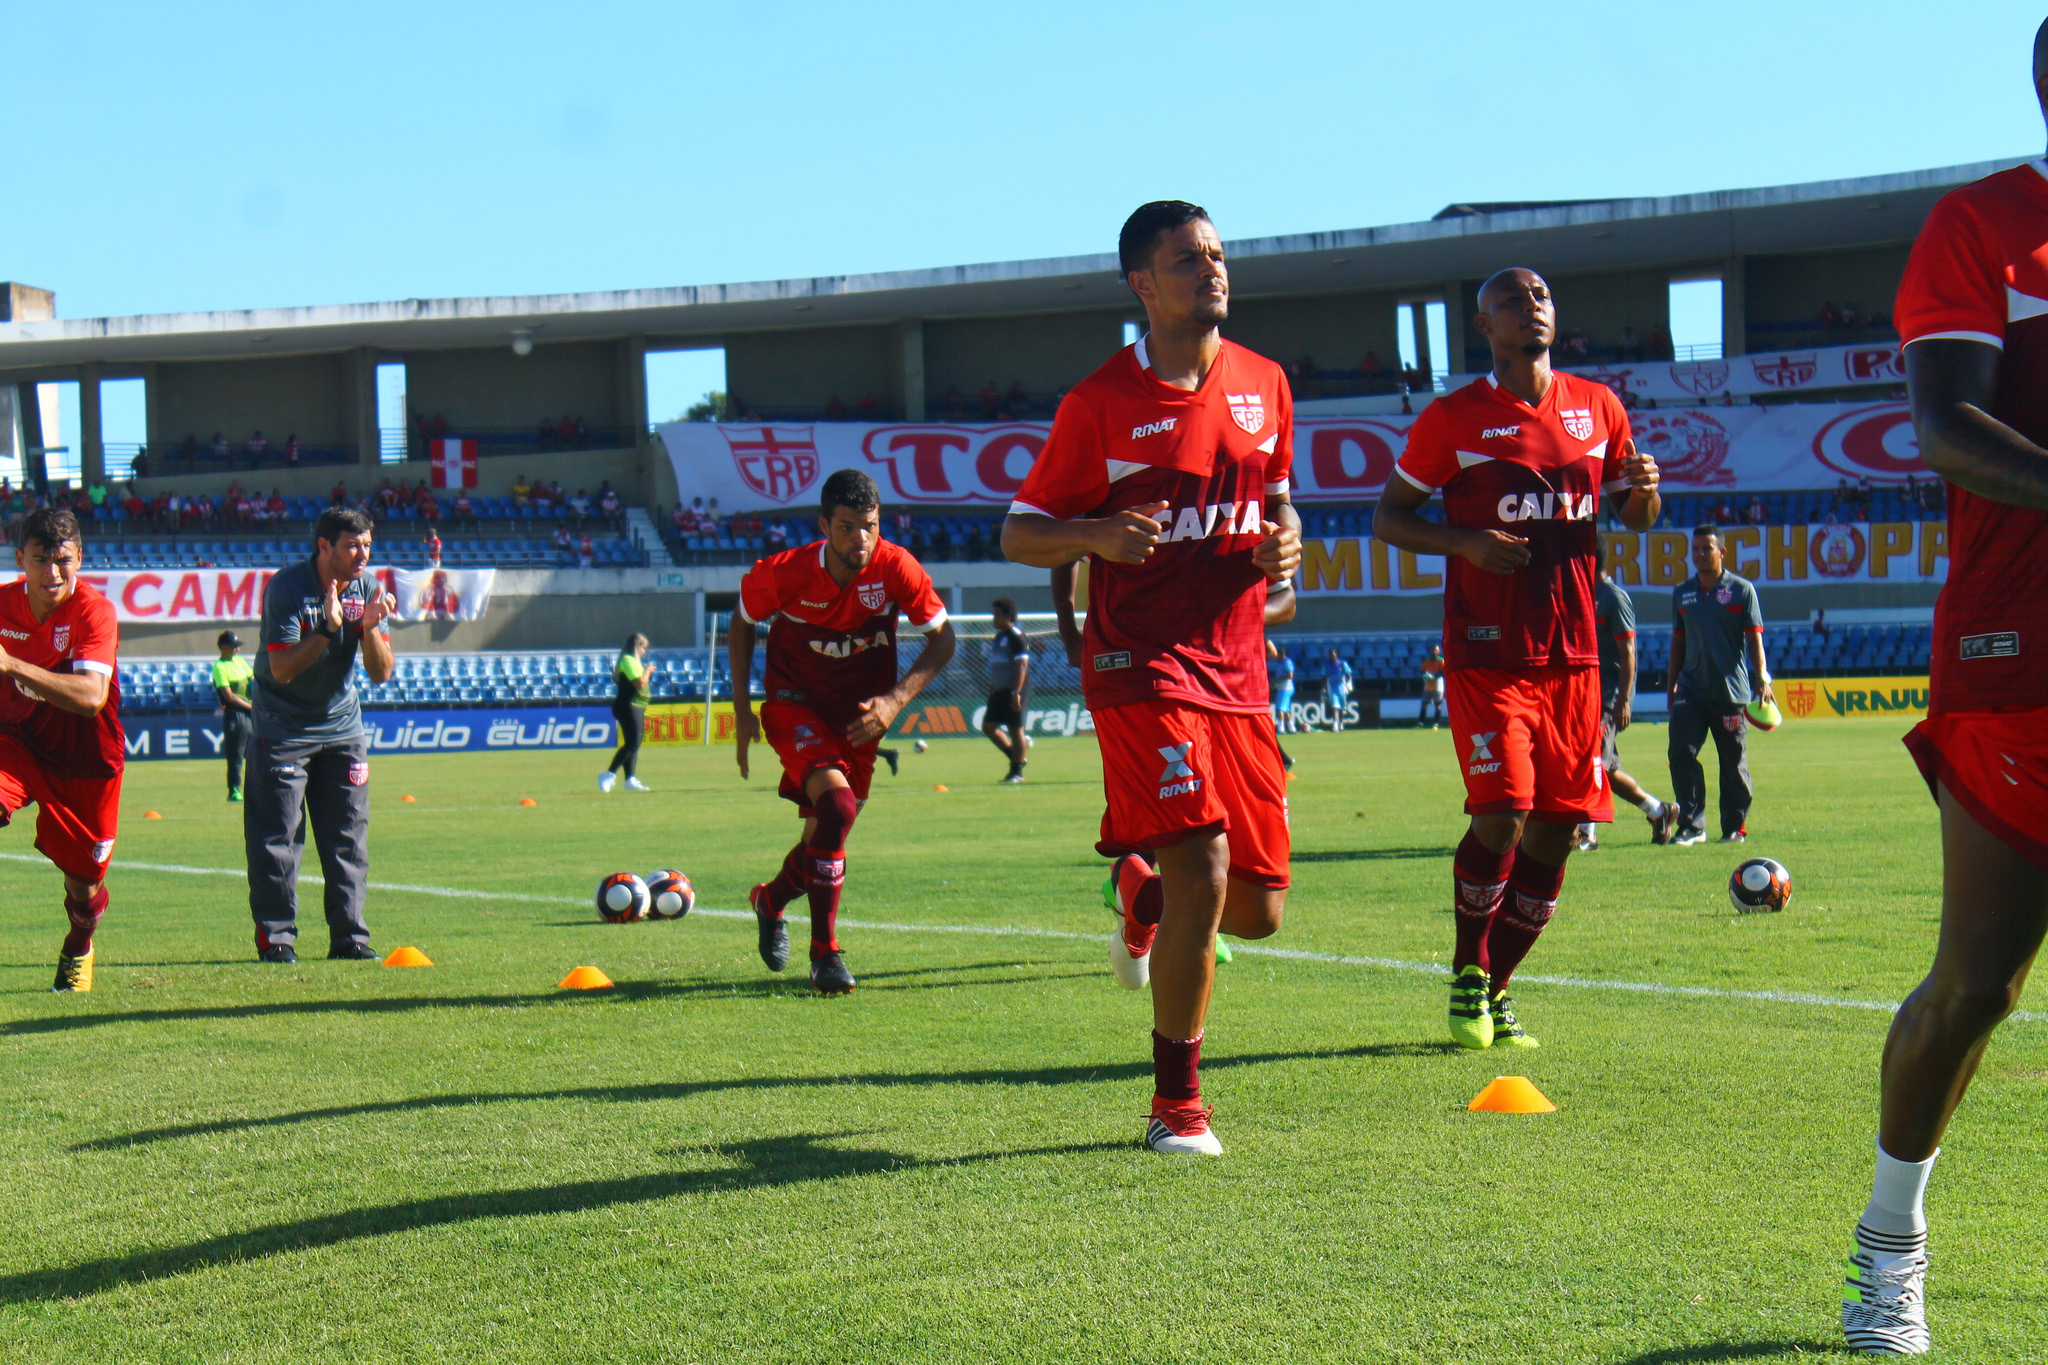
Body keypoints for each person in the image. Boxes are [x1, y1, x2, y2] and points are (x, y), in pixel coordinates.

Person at [1002, 200, 1301, 1155]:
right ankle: (1178, 1106)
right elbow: (1018, 531)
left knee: (1254, 913)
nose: (1211, 268)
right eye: (1187, 259)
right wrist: (1091, 533)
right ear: (1143, 284)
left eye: (1217, 253)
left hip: (1240, 671)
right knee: (1206, 865)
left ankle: (1138, 896)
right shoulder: (1099, 403)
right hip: (1142, 668)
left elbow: (1279, 504)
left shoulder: (1266, 383)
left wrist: (1286, 544)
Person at [1837, 36, 2048, 1351]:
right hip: (2021, 648)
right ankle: (1889, 1243)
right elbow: (1945, 427)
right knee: (1977, 982)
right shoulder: (1988, 226)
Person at [1372, 266, 1662, 1051]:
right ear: (1484, 325)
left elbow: (1635, 517)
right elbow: (1391, 518)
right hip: (1487, 650)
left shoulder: (1597, 407)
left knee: (1558, 830)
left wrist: (1643, 489)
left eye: (1540, 295)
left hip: (1574, 654)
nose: (1530, 306)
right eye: (1511, 299)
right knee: (1503, 812)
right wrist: (1463, 540)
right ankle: (1469, 967)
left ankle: (1496, 990)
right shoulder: (1452, 419)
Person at [732, 469, 955, 995]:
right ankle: (825, 955)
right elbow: (741, 621)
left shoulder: (896, 566)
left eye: (870, 527)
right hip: (794, 702)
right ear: (824, 526)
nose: (861, 539)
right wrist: (743, 711)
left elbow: (943, 641)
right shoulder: (784, 573)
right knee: (836, 808)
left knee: (824, 835)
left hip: (860, 714)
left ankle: (769, 900)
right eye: (849, 527)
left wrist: (896, 701)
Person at [245, 507, 397, 964]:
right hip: (283, 728)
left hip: (343, 728)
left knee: (348, 837)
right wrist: (329, 627)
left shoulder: (369, 589)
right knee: (278, 839)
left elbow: (381, 672)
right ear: (324, 546)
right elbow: (283, 669)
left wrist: (369, 628)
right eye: (352, 545)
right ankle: (277, 939)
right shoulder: (288, 587)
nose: (362, 555)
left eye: (367, 545)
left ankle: (350, 939)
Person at [0, 508, 125, 992]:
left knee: (83, 884)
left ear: (80, 558)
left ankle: (79, 943)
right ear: (19, 560)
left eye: (63, 560)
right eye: (40, 560)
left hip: (83, 758)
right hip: (14, 740)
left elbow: (92, 697)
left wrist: (12, 665)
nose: (53, 573)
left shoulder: (95, 612)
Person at [1666, 526, 1772, 846]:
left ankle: (1734, 827)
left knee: (1732, 761)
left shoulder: (1741, 591)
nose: (1699, 554)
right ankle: (1692, 825)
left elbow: (1755, 639)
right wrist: (1671, 684)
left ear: (1722, 552)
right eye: (1695, 549)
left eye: (1706, 548)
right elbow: (1678, 643)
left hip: (1730, 692)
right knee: (1680, 752)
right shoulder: (1682, 593)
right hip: (1690, 690)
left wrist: (1762, 679)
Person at [1574, 555, 1676, 850]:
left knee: (1590, 761)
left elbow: (1628, 651)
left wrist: (1623, 700)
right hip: (1585, 693)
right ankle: (1659, 811)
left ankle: (1587, 833)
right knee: (1605, 767)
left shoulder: (1613, 598)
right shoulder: (1582, 594)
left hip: (1608, 696)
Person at [981, 597, 1031, 783]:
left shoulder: (1016, 636)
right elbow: (998, 665)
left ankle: (1017, 772)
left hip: (1015, 689)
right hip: (999, 690)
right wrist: (993, 687)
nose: (993, 618)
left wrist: (1015, 692)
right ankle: (1016, 756)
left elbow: (1022, 666)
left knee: (1015, 728)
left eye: (996, 614)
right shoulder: (999, 636)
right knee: (988, 726)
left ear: (1007, 615)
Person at [600, 633, 655, 792]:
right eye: (644, 647)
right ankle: (608, 774)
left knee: (633, 744)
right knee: (632, 744)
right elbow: (640, 683)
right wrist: (648, 671)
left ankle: (630, 779)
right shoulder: (628, 660)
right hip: (628, 706)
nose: (645, 651)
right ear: (637, 646)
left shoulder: (635, 662)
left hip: (636, 706)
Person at [212, 630, 254, 803]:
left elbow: (253, 681)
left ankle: (254, 788)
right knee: (236, 754)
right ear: (223, 647)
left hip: (250, 711)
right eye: (234, 646)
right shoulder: (219, 666)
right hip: (235, 713)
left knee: (255, 754)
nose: (237, 649)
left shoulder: (241, 662)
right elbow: (228, 695)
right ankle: (234, 789)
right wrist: (251, 706)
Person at [1267, 640, 1296, 739]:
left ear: (1281, 655)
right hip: (1283, 688)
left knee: (1279, 708)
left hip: (1286, 688)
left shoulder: (1286, 662)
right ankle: (1292, 728)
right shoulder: (1281, 663)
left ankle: (1281, 728)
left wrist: (1277, 679)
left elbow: (1290, 675)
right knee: (1285, 709)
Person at [1323, 648, 1354, 732]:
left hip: (1342, 686)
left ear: (1336, 655)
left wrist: (1349, 683)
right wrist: (1323, 688)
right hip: (1332, 687)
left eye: (1333, 655)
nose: (1332, 656)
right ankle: (1335, 724)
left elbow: (1349, 673)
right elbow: (1324, 676)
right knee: (1335, 706)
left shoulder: (1342, 663)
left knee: (1343, 707)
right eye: (1331, 655)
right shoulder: (1327, 665)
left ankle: (1341, 723)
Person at [1418, 644, 1446, 728]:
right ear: (1430, 651)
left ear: (1438, 651)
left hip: (1438, 686)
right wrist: (1425, 676)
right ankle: (1421, 723)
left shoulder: (1441, 661)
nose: (1434, 652)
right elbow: (1422, 671)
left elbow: (1442, 672)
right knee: (1424, 704)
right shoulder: (1426, 661)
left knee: (1437, 705)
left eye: (1436, 650)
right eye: (1433, 650)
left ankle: (1436, 723)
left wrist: (1433, 676)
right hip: (1428, 686)